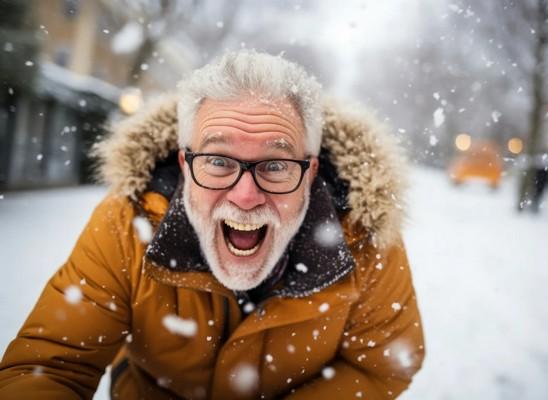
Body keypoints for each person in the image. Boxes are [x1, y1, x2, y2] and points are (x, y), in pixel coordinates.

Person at [0, 51, 425, 399]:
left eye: (275, 165)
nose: (245, 196)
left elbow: (383, 367)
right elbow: (53, 364)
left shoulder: (366, 238)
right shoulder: (127, 223)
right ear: (185, 165)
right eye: (219, 161)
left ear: (311, 174)